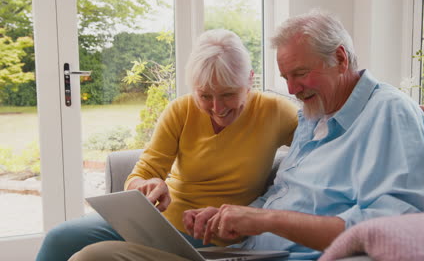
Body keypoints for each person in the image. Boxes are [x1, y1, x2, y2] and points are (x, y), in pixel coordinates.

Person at [69, 9, 424, 261]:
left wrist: (263, 221)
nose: (292, 89)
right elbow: (285, 197)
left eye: (301, 73)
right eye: (286, 78)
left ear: (341, 58)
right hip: (238, 248)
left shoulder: (388, 113)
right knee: (84, 250)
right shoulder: (316, 117)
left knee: (94, 258)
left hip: (278, 255)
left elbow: (397, 227)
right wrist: (231, 218)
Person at [35, 29, 299, 261]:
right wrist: (146, 185)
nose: (217, 108)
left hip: (211, 235)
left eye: (228, 94)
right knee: (59, 238)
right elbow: (142, 173)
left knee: (95, 256)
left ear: (249, 80)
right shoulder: (181, 110)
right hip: (156, 223)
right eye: (204, 95)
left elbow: (319, 151)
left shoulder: (276, 112)